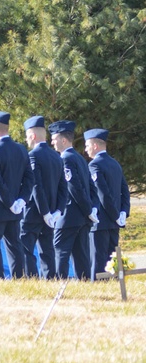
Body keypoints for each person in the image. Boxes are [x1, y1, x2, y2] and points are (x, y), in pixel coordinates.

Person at [0, 111, 34, 279]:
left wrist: (10, 202)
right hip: (16, 209)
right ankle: (18, 277)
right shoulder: (21, 149)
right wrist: (21, 200)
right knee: (14, 245)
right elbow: (29, 178)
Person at [49, 121, 96, 280]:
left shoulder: (66, 158)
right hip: (81, 217)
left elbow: (74, 188)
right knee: (80, 255)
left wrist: (88, 210)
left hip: (69, 216)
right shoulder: (79, 157)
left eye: (54, 139)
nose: (52, 142)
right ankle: (83, 284)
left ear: (63, 140)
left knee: (60, 251)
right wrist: (90, 209)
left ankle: (60, 284)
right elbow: (91, 187)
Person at [21, 116, 65, 278]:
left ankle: (31, 279)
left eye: (27, 136)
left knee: (26, 249)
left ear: (32, 136)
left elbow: (36, 186)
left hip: (34, 212)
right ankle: (50, 279)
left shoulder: (33, 156)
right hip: (52, 213)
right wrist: (57, 211)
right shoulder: (56, 157)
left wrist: (45, 212)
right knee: (47, 250)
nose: (26, 140)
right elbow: (63, 188)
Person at [85, 128, 131, 278]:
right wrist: (123, 212)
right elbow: (125, 190)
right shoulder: (115, 164)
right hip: (114, 222)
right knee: (112, 260)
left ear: (95, 146)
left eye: (87, 146)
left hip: (102, 222)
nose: (86, 150)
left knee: (98, 263)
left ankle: (98, 291)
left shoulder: (94, 165)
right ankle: (114, 287)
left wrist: (116, 215)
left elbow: (103, 194)